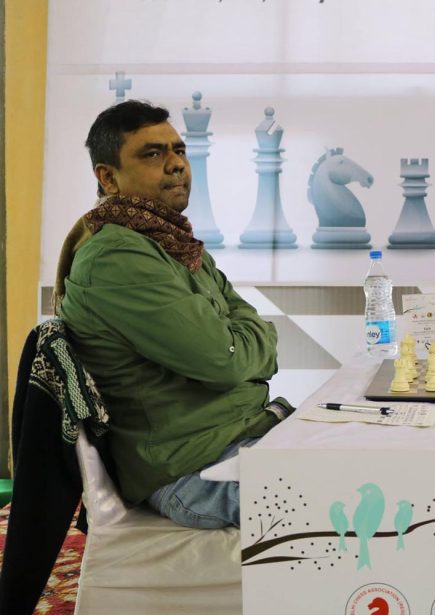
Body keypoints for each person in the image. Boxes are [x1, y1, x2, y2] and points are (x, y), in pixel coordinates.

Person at [56, 100, 290, 529]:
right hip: (191, 469)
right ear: (108, 177)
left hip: (236, 439)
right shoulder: (117, 256)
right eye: (152, 154)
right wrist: (247, 341)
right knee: (353, 493)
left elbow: (245, 336)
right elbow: (226, 360)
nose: (176, 165)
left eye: (178, 151)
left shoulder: (171, 244)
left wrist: (245, 340)